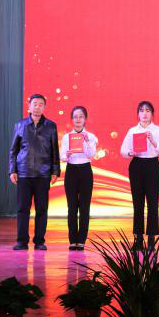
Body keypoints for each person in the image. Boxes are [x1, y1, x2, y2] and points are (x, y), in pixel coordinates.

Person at [9, 94, 60, 250]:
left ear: (44, 107)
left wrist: (55, 171)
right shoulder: (20, 125)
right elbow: (13, 150)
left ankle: (39, 241)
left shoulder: (51, 126)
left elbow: (55, 150)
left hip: (43, 174)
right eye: (35, 104)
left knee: (42, 209)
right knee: (23, 209)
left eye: (40, 104)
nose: (37, 107)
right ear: (29, 106)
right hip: (23, 173)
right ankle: (22, 241)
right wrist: (12, 170)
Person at [120, 101, 159, 251]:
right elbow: (123, 151)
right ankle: (138, 239)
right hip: (137, 166)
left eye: (148, 110)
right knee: (138, 203)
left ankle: (151, 239)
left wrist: (153, 141)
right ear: (138, 114)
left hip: (152, 166)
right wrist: (130, 152)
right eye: (141, 111)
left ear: (152, 114)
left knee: (153, 203)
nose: (144, 113)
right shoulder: (132, 131)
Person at [60, 106, 98, 251]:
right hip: (71, 171)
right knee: (72, 207)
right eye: (75, 117)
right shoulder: (66, 137)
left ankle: (81, 240)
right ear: (72, 119)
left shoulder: (91, 136)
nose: (78, 119)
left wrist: (87, 142)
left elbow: (91, 155)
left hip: (85, 171)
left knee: (84, 207)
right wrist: (67, 155)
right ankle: (72, 240)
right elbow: (62, 156)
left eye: (81, 116)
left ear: (85, 119)